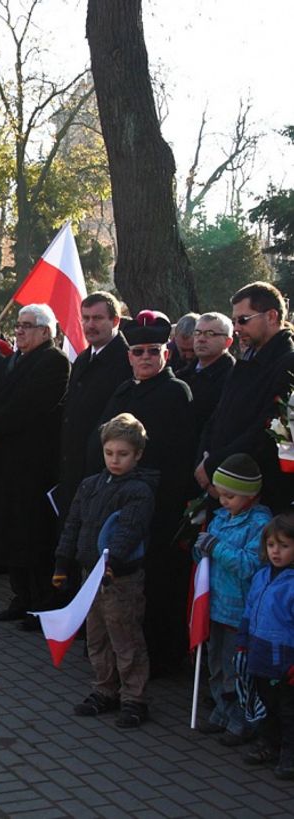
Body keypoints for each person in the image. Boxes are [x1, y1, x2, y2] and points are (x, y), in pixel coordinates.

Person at [93, 313, 196, 670]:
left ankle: (162, 657)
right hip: (120, 502)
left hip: (159, 503)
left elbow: (179, 454)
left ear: (166, 353)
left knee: (158, 583)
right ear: (130, 356)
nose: (146, 357)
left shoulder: (176, 392)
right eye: (138, 351)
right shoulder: (123, 390)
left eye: (154, 350)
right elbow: (102, 439)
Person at [54, 413, 155, 730]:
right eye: (109, 453)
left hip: (120, 578)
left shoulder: (139, 491)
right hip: (90, 576)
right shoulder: (90, 485)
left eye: (123, 454)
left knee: (125, 639)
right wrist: (61, 562)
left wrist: (112, 563)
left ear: (137, 455)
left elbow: (128, 531)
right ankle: (104, 689)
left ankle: (134, 698)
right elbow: (73, 525)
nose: (115, 460)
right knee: (96, 637)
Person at [0, 304, 71, 624]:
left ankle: (41, 602)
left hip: (32, 463)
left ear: (46, 331)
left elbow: (28, 406)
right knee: (11, 533)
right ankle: (21, 596)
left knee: (32, 535)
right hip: (5, 461)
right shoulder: (15, 360)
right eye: (17, 325)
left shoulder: (53, 362)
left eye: (27, 325)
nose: (20, 331)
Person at [192, 454, 269, 745]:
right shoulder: (221, 519)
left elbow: (250, 564)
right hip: (214, 605)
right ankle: (221, 711)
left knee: (236, 667)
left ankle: (242, 718)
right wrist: (199, 549)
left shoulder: (259, 524)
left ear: (250, 495)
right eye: (220, 494)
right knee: (216, 662)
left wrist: (216, 547)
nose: (223, 501)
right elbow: (206, 558)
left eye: (230, 496)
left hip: (239, 610)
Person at [197, 282, 294, 511]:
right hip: (222, 485)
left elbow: (270, 430)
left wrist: (214, 465)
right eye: (234, 321)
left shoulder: (288, 363)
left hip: (254, 494)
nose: (237, 327)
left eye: (243, 320)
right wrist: (203, 460)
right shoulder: (248, 358)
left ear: (271, 316)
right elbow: (219, 415)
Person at [57, 292, 130, 521]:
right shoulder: (83, 358)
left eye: (97, 318)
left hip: (103, 467)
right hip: (73, 465)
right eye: (85, 318)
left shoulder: (125, 361)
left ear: (115, 321)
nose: (90, 325)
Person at [237, 511, 294, 779]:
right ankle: (268, 743)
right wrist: (243, 642)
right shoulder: (261, 576)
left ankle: (289, 752)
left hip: (285, 659)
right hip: (260, 654)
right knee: (268, 704)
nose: (276, 552)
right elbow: (250, 609)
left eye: (284, 546)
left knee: (288, 710)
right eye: (271, 545)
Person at [177, 312, 235, 434]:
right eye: (197, 333)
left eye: (210, 334)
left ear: (228, 342)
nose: (201, 339)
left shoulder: (234, 378)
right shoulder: (182, 376)